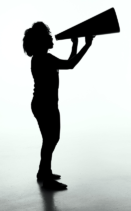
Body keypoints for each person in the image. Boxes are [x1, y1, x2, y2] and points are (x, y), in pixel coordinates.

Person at [23, 22, 94, 189]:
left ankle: (43, 172)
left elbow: (68, 62)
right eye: (48, 36)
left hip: (42, 105)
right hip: (45, 106)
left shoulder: (39, 58)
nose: (51, 38)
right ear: (42, 41)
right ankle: (46, 179)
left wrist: (76, 44)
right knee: (51, 139)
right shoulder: (45, 59)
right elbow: (70, 65)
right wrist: (87, 45)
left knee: (49, 140)